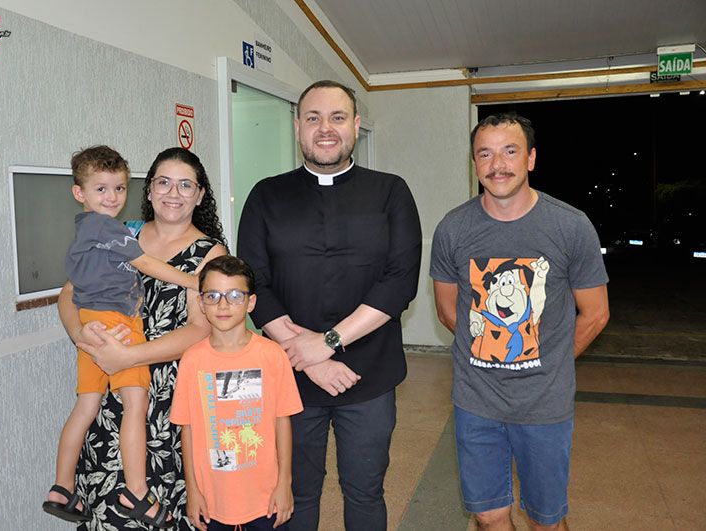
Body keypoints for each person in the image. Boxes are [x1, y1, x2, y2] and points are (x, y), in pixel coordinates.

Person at [237, 80, 421, 531]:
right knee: (295, 493)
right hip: (292, 376)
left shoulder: (391, 192)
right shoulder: (266, 195)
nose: (325, 128)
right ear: (297, 127)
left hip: (370, 373)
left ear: (355, 126)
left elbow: (400, 282)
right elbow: (254, 283)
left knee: (365, 491)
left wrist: (328, 342)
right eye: (313, 118)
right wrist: (310, 357)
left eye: (337, 118)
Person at [430, 112, 610, 531]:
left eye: (510, 152)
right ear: (474, 163)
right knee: (487, 516)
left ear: (531, 158)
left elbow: (596, 313)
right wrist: (495, 346)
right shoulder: (453, 229)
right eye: (485, 154)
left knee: (544, 520)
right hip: (476, 400)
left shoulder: (570, 226)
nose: (497, 165)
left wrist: (549, 361)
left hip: (544, 404)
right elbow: (448, 310)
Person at [57, 147, 227, 530]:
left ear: (200, 195)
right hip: (109, 390)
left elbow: (200, 330)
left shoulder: (209, 253)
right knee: (107, 506)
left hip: (168, 400)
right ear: (148, 190)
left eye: (186, 185)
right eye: (163, 182)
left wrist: (131, 356)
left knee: (164, 507)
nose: (173, 193)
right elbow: (69, 294)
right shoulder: (120, 232)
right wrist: (79, 333)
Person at [170, 256, 303, 530]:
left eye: (234, 295)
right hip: (213, 499)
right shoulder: (192, 360)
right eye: (213, 296)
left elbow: (283, 421)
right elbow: (187, 428)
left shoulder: (273, 355)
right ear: (201, 303)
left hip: (265, 497)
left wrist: (285, 484)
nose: (223, 305)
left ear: (250, 302)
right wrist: (193, 490)